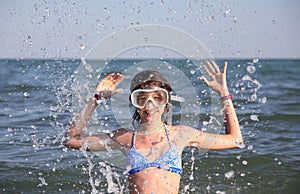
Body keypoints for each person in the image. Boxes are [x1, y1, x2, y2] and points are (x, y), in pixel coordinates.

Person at [64, 60, 243, 194]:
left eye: (157, 98)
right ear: (135, 104)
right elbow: (71, 140)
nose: (150, 105)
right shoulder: (124, 138)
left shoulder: (181, 135)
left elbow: (236, 140)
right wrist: (95, 99)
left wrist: (223, 94)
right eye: (142, 99)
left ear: (166, 104)